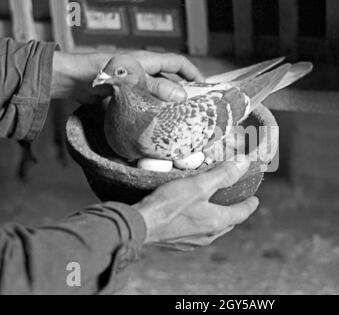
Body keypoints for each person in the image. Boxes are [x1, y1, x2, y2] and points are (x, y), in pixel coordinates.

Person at [0, 38, 259, 295]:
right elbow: (21, 273)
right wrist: (145, 223)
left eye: (119, 72)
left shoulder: (154, 132)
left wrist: (51, 70)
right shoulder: (137, 125)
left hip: (211, 106)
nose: (103, 76)